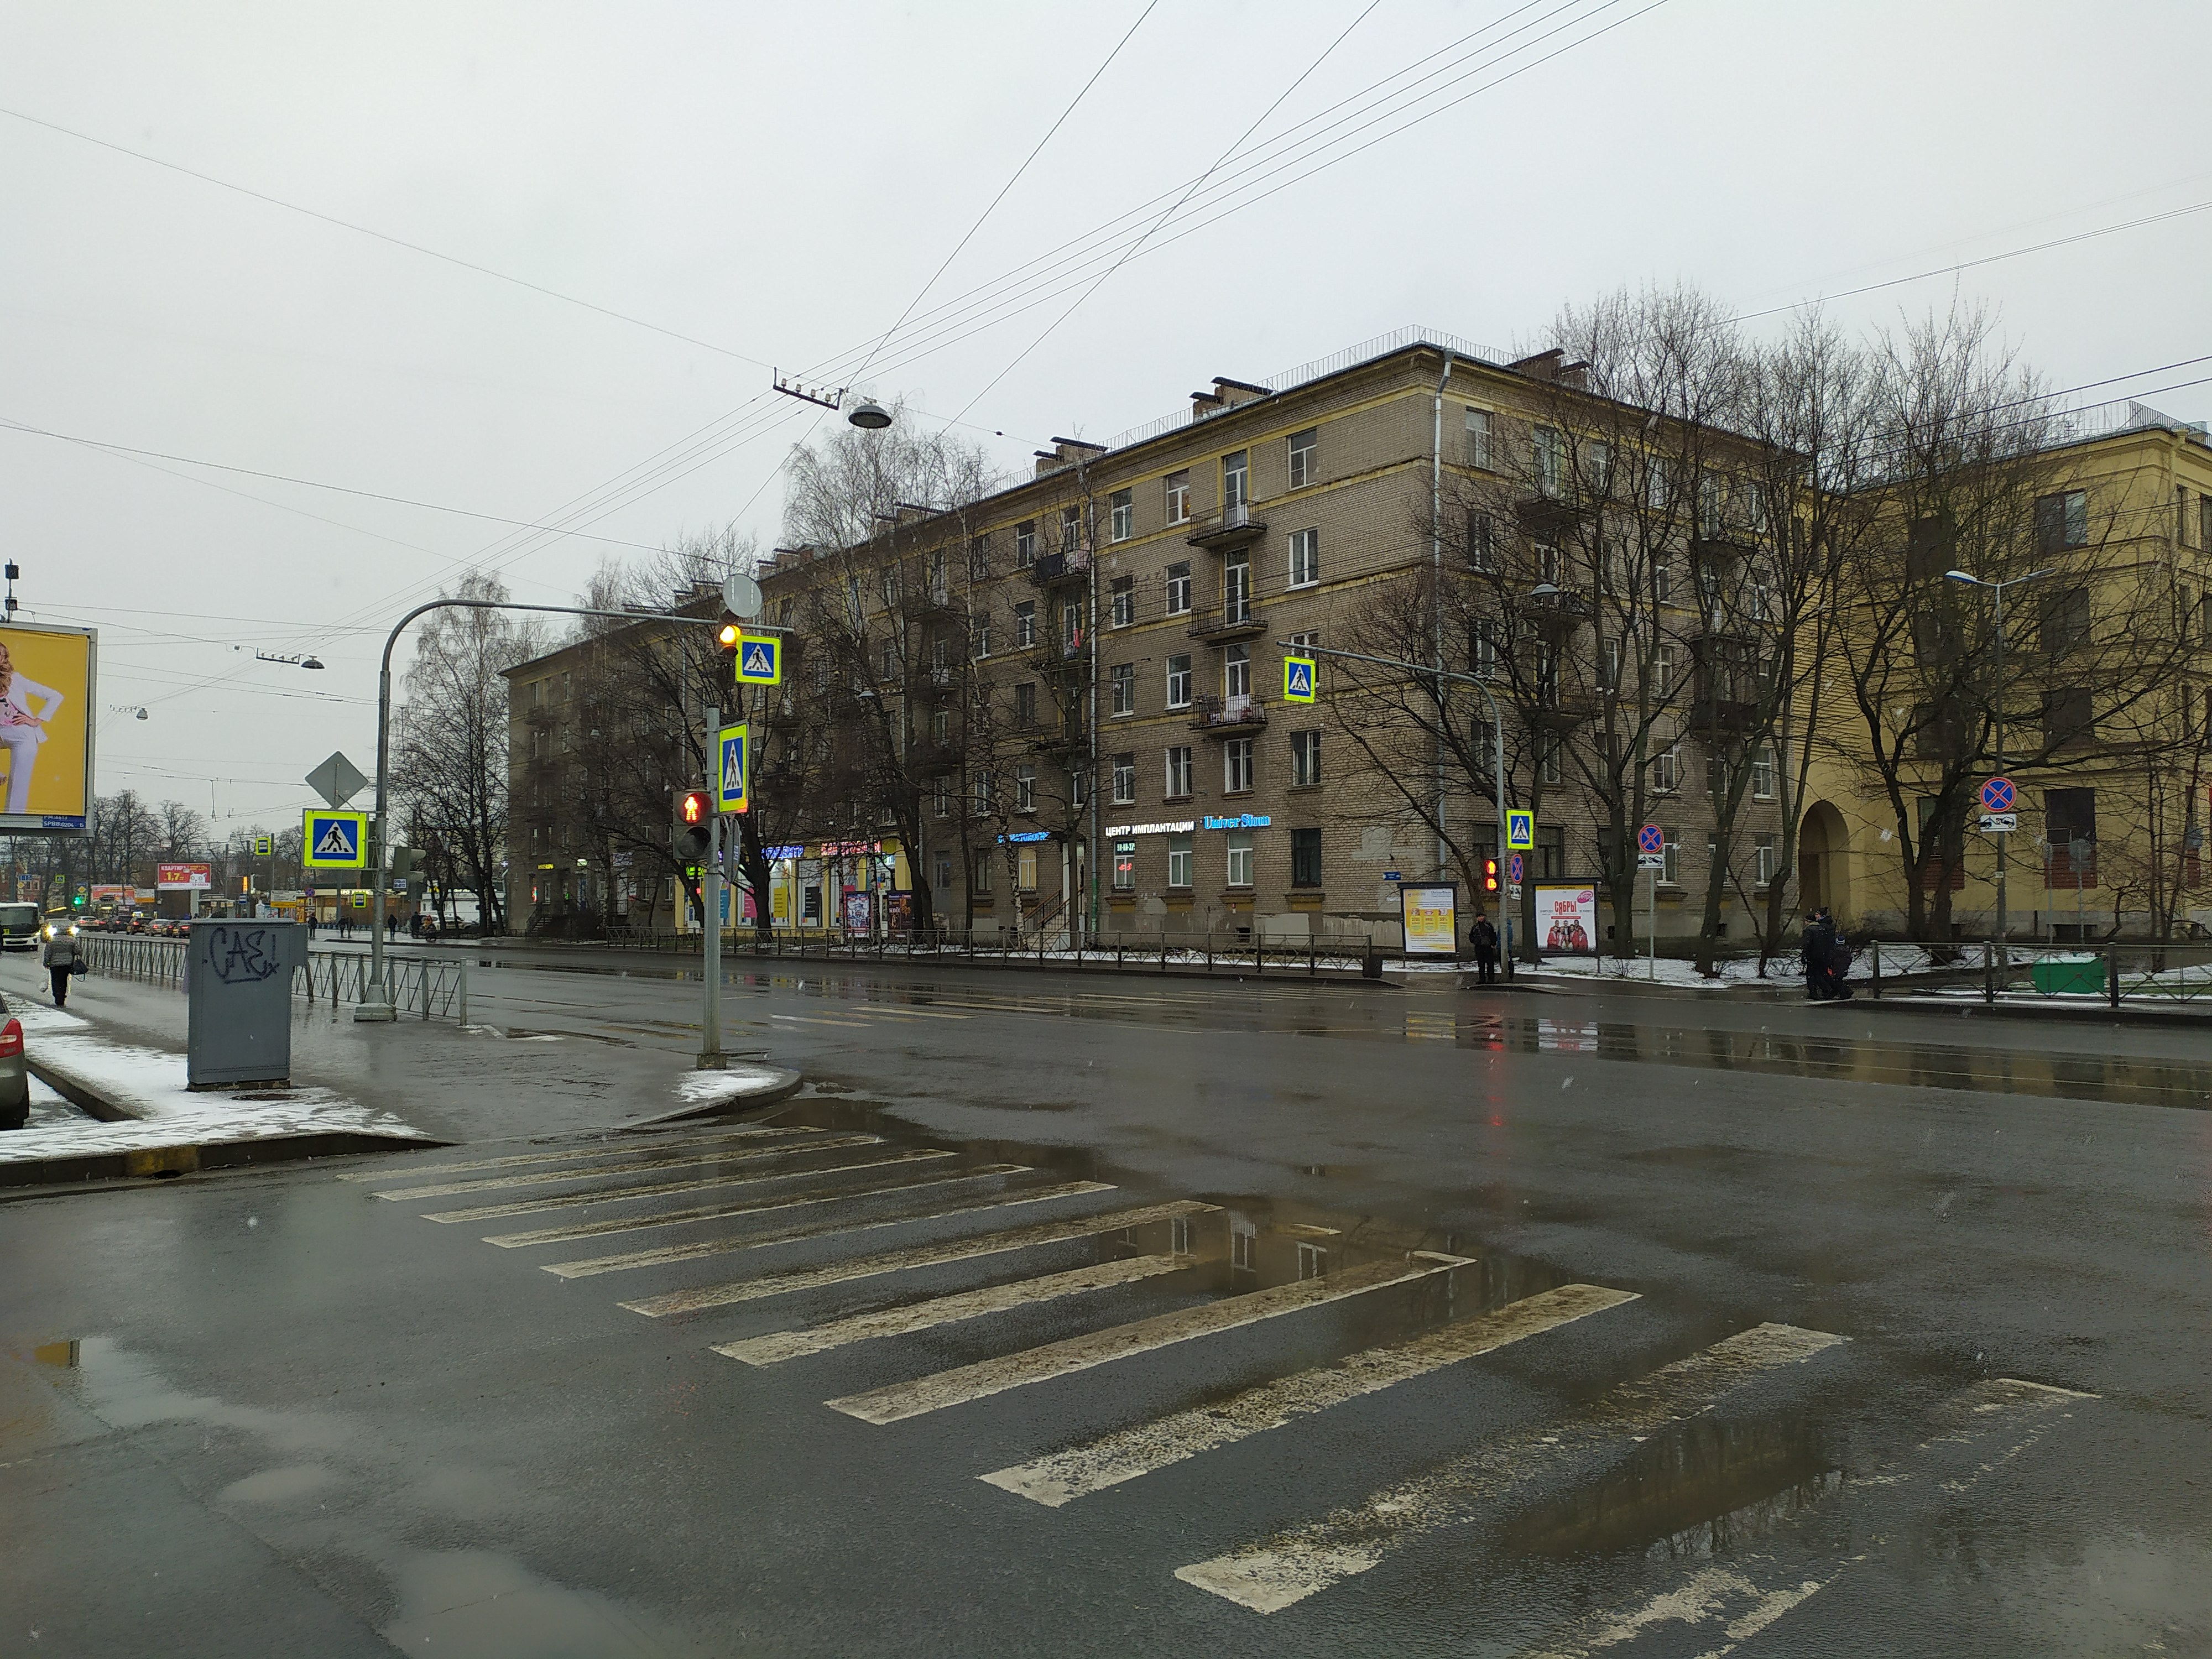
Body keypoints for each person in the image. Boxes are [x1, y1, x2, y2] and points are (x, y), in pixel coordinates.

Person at [0, 640, 66, 817]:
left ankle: (14, 821)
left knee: (19, 781)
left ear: (5, 658)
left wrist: (37, 720)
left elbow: (55, 696)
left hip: (21, 734)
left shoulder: (15, 679)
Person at [42, 922, 80, 1008]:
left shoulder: (52, 940)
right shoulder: (72, 940)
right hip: (67, 964)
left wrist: (46, 963)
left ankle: (57, 997)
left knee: (55, 981)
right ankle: (62, 997)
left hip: (54, 965)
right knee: (64, 981)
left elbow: (48, 953)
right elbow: (78, 951)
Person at [1801, 909, 1835, 1000]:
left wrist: (1804, 955)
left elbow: (1807, 944)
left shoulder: (1809, 930)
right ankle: (1827, 989)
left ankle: (1817, 992)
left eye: (1805, 921)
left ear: (1808, 922)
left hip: (1812, 956)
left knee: (1811, 975)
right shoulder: (1821, 929)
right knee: (1819, 974)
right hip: (1822, 956)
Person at [1469, 911, 1500, 985]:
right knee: (1481, 964)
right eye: (1479, 917)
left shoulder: (1488, 926)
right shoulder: (1475, 927)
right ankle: (1482, 978)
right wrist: (1477, 941)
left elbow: (1493, 935)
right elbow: (1471, 937)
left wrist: (1493, 944)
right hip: (1479, 948)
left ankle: (1491, 978)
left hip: (1488, 947)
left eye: (1482, 916)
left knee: (1490, 963)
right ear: (1477, 918)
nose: (1481, 918)